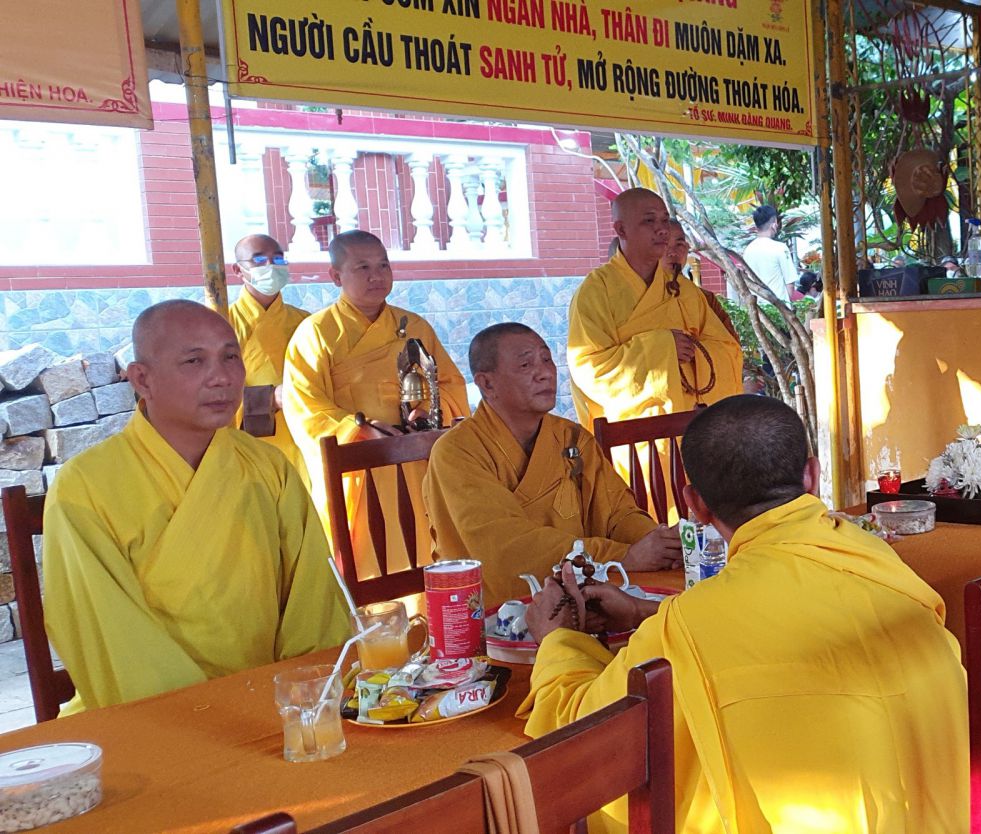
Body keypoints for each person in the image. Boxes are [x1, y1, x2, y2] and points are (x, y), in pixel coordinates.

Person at [519, 396, 968, 833]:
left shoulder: (690, 625)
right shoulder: (875, 557)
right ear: (812, 476)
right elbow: (780, 615)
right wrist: (643, 611)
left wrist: (557, 640)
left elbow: (586, 739)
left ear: (694, 505)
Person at [42, 300, 348, 713]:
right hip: (150, 712)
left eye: (230, 357)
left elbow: (314, 602)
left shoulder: (268, 466)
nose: (222, 377)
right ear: (142, 379)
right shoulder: (84, 487)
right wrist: (205, 714)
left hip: (274, 700)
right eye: (194, 361)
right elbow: (110, 639)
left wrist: (302, 692)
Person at [424, 323, 682, 604]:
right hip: (494, 613)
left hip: (586, 593)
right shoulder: (457, 452)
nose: (545, 373)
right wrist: (623, 557)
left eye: (547, 359)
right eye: (526, 364)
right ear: (487, 384)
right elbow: (507, 548)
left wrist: (659, 543)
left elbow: (617, 513)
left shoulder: (572, 438)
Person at [282, 230, 468, 578]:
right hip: (358, 465)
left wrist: (429, 409)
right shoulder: (316, 332)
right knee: (368, 563)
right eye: (363, 267)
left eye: (383, 265)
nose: (377, 276)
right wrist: (358, 429)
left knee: (427, 550)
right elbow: (304, 406)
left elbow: (450, 384)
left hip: (416, 461)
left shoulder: (415, 326)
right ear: (335, 276)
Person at [567, 188, 742, 433]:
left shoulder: (685, 290)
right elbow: (590, 369)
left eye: (664, 220)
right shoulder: (596, 291)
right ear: (621, 230)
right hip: (633, 435)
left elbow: (728, 349)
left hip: (692, 428)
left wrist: (694, 352)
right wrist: (663, 348)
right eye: (649, 221)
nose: (662, 230)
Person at [226, 233, 311, 483]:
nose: (271, 266)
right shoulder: (222, 324)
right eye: (260, 260)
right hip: (249, 444)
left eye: (278, 259)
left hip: (303, 437)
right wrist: (269, 398)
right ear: (238, 270)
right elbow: (207, 392)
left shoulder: (305, 322)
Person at [738, 204, 799, 302]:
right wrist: (785, 305)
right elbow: (790, 285)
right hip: (778, 306)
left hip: (757, 307)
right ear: (774, 224)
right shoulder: (780, 248)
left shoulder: (748, 250)